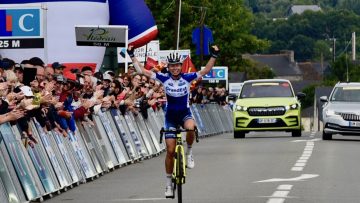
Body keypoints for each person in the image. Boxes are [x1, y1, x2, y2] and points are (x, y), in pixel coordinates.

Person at [127, 44, 219, 197]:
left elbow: (206, 71)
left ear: (180, 66)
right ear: (168, 67)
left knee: (191, 128)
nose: (175, 68)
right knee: (170, 151)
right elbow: (141, 71)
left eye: (177, 65)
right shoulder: (163, 78)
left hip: (184, 114)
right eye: (172, 66)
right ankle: (169, 184)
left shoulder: (188, 78)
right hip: (170, 117)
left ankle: (189, 152)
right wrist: (131, 54)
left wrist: (214, 56)